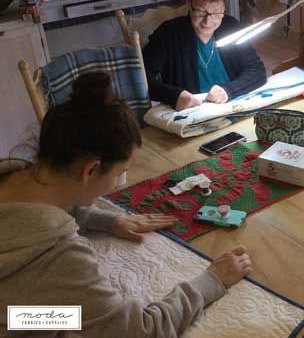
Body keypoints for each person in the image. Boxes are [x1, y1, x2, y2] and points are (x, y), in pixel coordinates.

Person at [0, 72, 253, 337]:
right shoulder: (60, 257)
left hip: (9, 313)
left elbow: (28, 217)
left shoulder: (13, 176)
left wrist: (108, 220)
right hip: (15, 320)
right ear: (91, 170)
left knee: (69, 317)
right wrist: (211, 281)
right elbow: (141, 331)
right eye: (121, 172)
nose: (120, 181)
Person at [143, 0, 267, 111]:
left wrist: (229, 90)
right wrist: (174, 96)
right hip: (192, 117)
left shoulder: (231, 27)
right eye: (201, 12)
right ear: (188, 1)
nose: (208, 22)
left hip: (232, 109)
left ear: (224, 6)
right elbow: (141, 79)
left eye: (216, 12)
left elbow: (257, 70)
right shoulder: (168, 34)